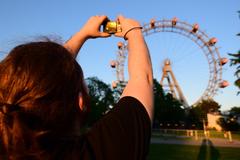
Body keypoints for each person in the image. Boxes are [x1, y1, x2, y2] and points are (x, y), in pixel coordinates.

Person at [0, 15, 153, 160]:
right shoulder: (99, 151)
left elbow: (45, 72)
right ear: (81, 102)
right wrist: (134, 31)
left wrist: (82, 34)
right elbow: (142, 78)